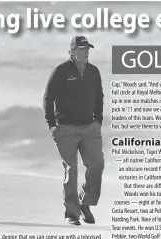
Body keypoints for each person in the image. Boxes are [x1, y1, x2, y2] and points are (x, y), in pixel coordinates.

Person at [43, 36, 105, 226]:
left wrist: (98, 121)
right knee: (72, 169)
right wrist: (52, 125)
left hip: (90, 128)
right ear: (71, 52)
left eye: (87, 48)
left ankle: (85, 203)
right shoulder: (61, 71)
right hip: (66, 128)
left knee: (96, 166)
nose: (85, 52)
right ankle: (72, 212)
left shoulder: (94, 71)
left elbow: (99, 97)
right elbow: (48, 97)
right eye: (80, 49)